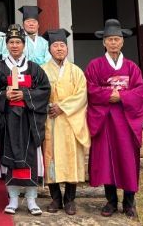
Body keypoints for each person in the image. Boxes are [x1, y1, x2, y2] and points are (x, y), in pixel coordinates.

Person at [85, 19, 143, 219]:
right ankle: (111, 201)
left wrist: (121, 96)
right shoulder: (95, 65)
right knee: (106, 161)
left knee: (127, 160)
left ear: (122, 42)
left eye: (116, 39)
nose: (113, 42)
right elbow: (90, 89)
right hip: (104, 120)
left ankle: (129, 202)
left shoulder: (131, 67)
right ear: (104, 42)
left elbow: (140, 91)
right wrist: (107, 95)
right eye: (109, 39)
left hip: (126, 120)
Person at [0, 24, 50, 216]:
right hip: (8, 121)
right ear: (6, 45)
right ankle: (13, 198)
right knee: (11, 157)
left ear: (24, 45)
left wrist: (25, 95)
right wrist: (4, 96)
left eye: (18, 42)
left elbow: (45, 90)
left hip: (29, 121)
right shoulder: (0, 68)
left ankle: (32, 199)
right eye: (11, 42)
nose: (14, 45)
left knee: (30, 158)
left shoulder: (34, 68)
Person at [41, 28, 90, 216]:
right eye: (55, 46)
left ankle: (70, 199)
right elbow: (38, 94)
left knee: (71, 159)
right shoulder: (42, 70)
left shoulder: (76, 71)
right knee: (51, 159)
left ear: (67, 48)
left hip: (70, 121)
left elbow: (82, 95)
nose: (59, 49)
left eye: (62, 45)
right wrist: (48, 107)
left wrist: (62, 107)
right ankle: (55, 198)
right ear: (49, 49)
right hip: (51, 121)